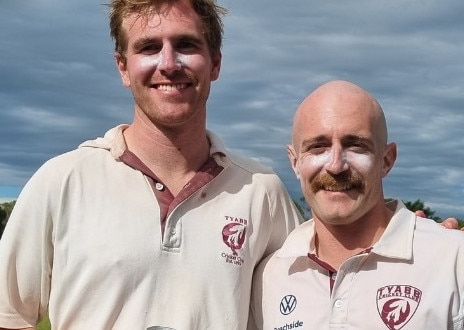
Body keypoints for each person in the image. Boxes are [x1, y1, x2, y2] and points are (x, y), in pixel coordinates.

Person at [0, 0, 301, 329]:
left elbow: (300, 309)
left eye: (186, 44)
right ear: (123, 67)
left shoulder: (262, 191)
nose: (169, 63)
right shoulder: (61, 182)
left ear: (215, 63)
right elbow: (9, 317)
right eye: (148, 47)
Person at [250, 80, 464, 329]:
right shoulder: (270, 275)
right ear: (295, 161)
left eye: (355, 145)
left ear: (387, 159)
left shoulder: (462, 260)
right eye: (318, 147)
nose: (335, 165)